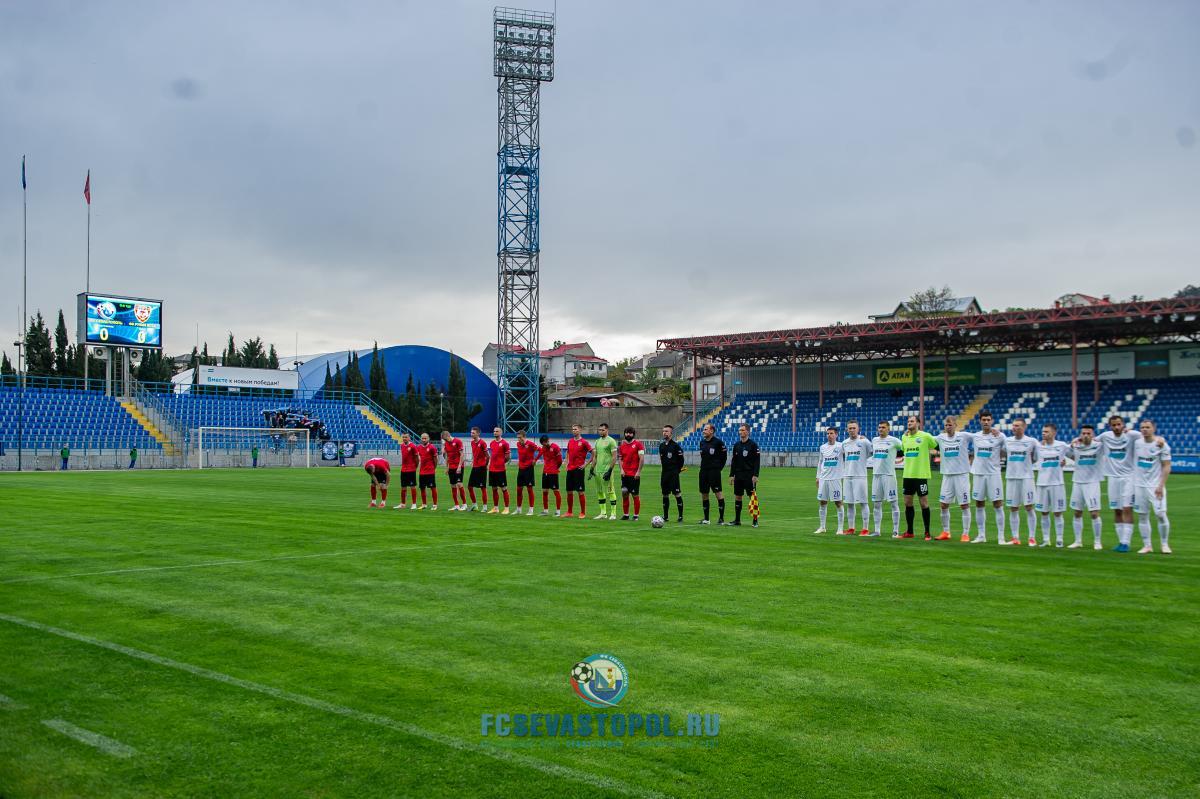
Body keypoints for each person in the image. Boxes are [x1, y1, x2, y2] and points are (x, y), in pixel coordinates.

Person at [1095, 415, 1145, 553]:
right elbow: (1090, 441)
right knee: (1117, 510)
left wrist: (1160, 439)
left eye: (1119, 424)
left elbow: (1149, 436)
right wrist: (1076, 440)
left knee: (1127, 508)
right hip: (1112, 478)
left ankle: (1126, 543)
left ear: (1123, 424)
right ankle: (1120, 542)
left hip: (1129, 477)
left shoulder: (1133, 435)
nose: (1116, 427)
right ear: (1110, 426)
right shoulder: (1105, 436)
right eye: (1114, 425)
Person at [1133, 419, 1171, 554]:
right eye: (1142, 427)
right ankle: (1147, 545)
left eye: (1148, 427)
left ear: (1153, 428)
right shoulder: (1137, 443)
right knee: (1142, 516)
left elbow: (1167, 466)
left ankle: (1164, 544)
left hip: (1155, 486)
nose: (1145, 429)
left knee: (1160, 514)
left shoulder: (1162, 445)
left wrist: (1161, 485)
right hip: (1139, 486)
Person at [967, 410, 1006, 544]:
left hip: (993, 475)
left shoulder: (1000, 436)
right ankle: (981, 535)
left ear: (992, 421)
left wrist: (999, 433)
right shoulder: (975, 436)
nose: (986, 422)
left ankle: (1001, 537)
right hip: (978, 474)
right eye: (984, 420)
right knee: (979, 503)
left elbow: (1009, 448)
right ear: (980, 421)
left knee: (998, 504)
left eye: (988, 420)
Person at [1034, 423, 1072, 547]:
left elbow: (1074, 453)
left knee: (1057, 512)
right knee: (1044, 512)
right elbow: (1032, 458)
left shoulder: (1062, 446)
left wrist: (1064, 462)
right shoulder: (1038, 446)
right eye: (1043, 431)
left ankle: (1059, 539)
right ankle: (1046, 539)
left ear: (1054, 433)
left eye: (1046, 432)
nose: (1043, 433)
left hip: (1057, 484)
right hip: (1042, 483)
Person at [900, 416, 939, 540]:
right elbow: (902, 451)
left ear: (918, 423)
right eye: (908, 421)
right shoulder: (904, 437)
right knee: (907, 503)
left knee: (924, 503)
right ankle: (910, 531)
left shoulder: (925, 436)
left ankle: (927, 532)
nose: (909, 423)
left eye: (912, 421)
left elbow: (937, 446)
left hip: (921, 475)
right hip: (908, 475)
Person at [1001, 418, 1038, 546]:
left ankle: (1032, 538)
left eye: (1017, 426)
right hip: (1011, 478)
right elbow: (1002, 452)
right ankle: (1015, 538)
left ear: (1024, 427)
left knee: (1029, 507)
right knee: (1013, 508)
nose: (1014, 428)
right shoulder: (1007, 441)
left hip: (1027, 478)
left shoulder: (1032, 441)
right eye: (1013, 426)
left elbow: (1036, 457)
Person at [935, 416, 972, 542]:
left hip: (961, 475)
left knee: (964, 505)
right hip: (947, 475)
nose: (948, 427)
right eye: (946, 425)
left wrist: (993, 432)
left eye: (950, 425)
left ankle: (965, 534)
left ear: (956, 425)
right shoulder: (940, 438)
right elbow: (926, 439)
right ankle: (946, 532)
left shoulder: (964, 436)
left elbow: (979, 437)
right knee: (943, 504)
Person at [1067, 424, 1104, 549]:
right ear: (1080, 435)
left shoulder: (1099, 446)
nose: (1086, 436)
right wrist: (1071, 444)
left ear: (1093, 435)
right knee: (1077, 512)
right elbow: (1069, 454)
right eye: (1083, 433)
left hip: (1092, 483)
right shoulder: (1076, 446)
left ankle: (1097, 541)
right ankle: (1078, 541)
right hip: (1077, 482)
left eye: (1088, 433)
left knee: (1094, 513)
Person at [869, 421, 902, 537]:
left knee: (894, 503)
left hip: (889, 475)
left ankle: (896, 530)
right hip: (876, 475)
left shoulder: (894, 441)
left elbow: (904, 448)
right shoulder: (874, 440)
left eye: (883, 427)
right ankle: (877, 531)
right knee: (876, 504)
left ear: (888, 429)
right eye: (879, 427)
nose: (881, 429)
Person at [839, 421, 869, 535]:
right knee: (849, 503)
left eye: (854, 428)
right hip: (847, 476)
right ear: (847, 430)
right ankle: (851, 528)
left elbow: (871, 453)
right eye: (850, 428)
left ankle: (865, 528)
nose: (852, 430)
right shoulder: (844, 443)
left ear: (858, 429)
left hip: (860, 476)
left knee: (863, 502)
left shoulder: (864, 441)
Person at [729, 423, 761, 527]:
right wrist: (731, 475)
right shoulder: (736, 445)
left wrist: (755, 475)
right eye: (739, 430)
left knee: (752, 497)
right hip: (738, 475)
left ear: (747, 431)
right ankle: (737, 520)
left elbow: (757, 461)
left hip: (749, 475)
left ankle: (755, 520)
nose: (740, 432)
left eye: (742, 430)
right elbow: (734, 461)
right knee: (738, 496)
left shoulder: (753, 445)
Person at [814, 426, 844, 534]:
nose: (829, 435)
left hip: (835, 479)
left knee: (838, 502)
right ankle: (822, 527)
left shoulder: (841, 446)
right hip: (823, 478)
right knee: (822, 502)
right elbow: (820, 462)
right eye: (828, 433)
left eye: (831, 433)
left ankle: (840, 528)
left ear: (836, 435)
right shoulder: (823, 447)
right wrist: (818, 477)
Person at [697, 423, 728, 525]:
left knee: (718, 493)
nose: (703, 431)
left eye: (706, 429)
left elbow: (724, 457)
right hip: (703, 471)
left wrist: (718, 468)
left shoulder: (718, 443)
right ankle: (706, 519)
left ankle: (721, 519)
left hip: (714, 472)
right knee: (704, 494)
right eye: (704, 429)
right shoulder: (702, 442)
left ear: (711, 431)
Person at [590, 423, 620, 520]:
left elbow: (614, 457)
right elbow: (595, 457)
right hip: (598, 471)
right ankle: (603, 513)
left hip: (607, 471)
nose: (600, 431)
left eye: (602, 430)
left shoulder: (611, 441)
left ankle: (613, 514)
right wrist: (591, 469)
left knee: (610, 491)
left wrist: (610, 471)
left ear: (607, 430)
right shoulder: (597, 441)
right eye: (599, 430)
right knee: (599, 491)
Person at [564, 424, 593, 518]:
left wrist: (586, 464)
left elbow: (593, 453)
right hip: (570, 469)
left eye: (575, 429)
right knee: (569, 491)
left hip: (579, 469)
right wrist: (566, 462)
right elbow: (568, 452)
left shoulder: (584, 442)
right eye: (573, 429)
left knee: (580, 491)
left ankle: (583, 513)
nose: (574, 431)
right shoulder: (570, 441)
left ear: (580, 430)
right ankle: (569, 512)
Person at [617, 426, 645, 521]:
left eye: (630, 433)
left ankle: (636, 515)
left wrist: (638, 472)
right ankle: (626, 515)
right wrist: (621, 470)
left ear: (633, 434)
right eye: (626, 433)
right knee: (624, 493)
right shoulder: (622, 446)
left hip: (634, 475)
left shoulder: (638, 444)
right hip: (624, 475)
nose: (628, 434)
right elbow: (620, 459)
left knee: (635, 495)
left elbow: (641, 459)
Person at [659, 424, 685, 523]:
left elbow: (681, 461)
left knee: (677, 494)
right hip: (664, 473)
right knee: (665, 494)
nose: (664, 433)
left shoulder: (675, 446)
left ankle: (680, 516)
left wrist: (677, 471)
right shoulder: (661, 446)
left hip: (673, 474)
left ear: (671, 433)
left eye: (666, 431)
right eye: (663, 431)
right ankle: (665, 516)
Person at [536, 435, 563, 516]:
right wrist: (535, 460)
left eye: (546, 442)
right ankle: (545, 511)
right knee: (545, 491)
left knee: (556, 491)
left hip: (553, 473)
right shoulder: (543, 448)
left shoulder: (555, 447)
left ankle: (558, 511)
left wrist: (555, 468)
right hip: (545, 472)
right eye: (543, 443)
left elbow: (560, 461)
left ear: (548, 440)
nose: (545, 444)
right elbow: (540, 453)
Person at [487, 427, 512, 514]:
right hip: (492, 469)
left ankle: (506, 508)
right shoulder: (492, 443)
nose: (495, 432)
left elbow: (508, 457)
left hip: (500, 470)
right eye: (494, 431)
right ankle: (495, 508)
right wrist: (490, 464)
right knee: (494, 488)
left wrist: (501, 463)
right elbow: (492, 455)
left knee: (503, 488)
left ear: (501, 433)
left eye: (497, 431)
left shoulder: (505, 443)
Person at [514, 429, 539, 516]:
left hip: (529, 469)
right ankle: (518, 509)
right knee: (519, 489)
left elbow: (541, 450)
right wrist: (519, 461)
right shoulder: (518, 444)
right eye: (518, 438)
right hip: (521, 469)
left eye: (520, 437)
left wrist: (535, 460)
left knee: (529, 489)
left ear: (524, 437)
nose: (519, 439)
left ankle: (531, 510)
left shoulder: (530, 444)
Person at [441, 431, 466, 511]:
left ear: (448, 435)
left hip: (458, 466)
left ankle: (464, 504)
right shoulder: (446, 444)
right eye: (444, 440)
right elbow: (447, 456)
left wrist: (459, 466)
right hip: (451, 467)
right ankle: (456, 505)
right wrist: (447, 467)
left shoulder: (458, 441)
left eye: (445, 439)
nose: (445, 441)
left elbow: (462, 454)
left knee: (459, 484)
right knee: (453, 485)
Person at [395, 433, 420, 510]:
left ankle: (414, 504)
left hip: (411, 469)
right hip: (403, 469)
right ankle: (403, 504)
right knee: (403, 487)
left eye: (406, 437)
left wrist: (415, 467)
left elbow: (417, 458)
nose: (404, 438)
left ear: (409, 438)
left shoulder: (413, 446)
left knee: (412, 486)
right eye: (403, 437)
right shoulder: (402, 445)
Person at [467, 427, 490, 512]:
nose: (471, 434)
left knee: (482, 487)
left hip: (481, 467)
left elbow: (488, 456)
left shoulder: (482, 443)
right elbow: (475, 454)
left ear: (478, 433)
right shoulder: (472, 442)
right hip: (475, 467)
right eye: (471, 432)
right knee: (469, 487)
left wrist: (485, 465)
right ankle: (474, 505)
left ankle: (485, 507)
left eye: (473, 433)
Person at [416, 433, 440, 510]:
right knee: (422, 488)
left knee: (433, 488)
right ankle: (424, 504)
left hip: (430, 471)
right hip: (422, 472)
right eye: (422, 438)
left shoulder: (432, 447)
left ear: (428, 438)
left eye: (425, 438)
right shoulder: (419, 447)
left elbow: (436, 460)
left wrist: (433, 468)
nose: (423, 440)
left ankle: (435, 505)